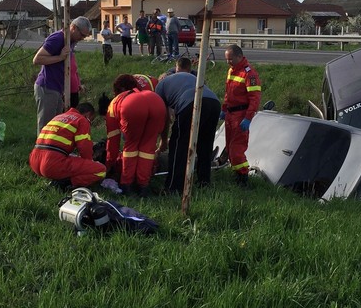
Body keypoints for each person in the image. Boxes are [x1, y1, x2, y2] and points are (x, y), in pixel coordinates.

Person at [155, 57, 222, 192]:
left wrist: (163, 141)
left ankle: (174, 187)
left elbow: (165, 117)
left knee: (179, 146)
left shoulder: (160, 87)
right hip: (214, 103)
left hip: (191, 103)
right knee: (205, 144)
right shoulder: (189, 76)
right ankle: (204, 182)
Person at [100, 74, 167, 196]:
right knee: (148, 148)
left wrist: (109, 164)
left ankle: (127, 185)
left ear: (119, 90)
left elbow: (113, 141)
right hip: (156, 101)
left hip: (133, 106)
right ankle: (143, 186)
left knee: (131, 146)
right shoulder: (144, 91)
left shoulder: (115, 103)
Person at [33, 16, 92, 135]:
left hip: (58, 89)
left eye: (85, 36)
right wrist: (60, 57)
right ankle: (42, 146)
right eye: (82, 35)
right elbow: (37, 59)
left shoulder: (71, 41)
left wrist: (76, 82)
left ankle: (54, 146)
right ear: (73, 28)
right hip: (47, 86)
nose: (82, 38)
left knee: (56, 126)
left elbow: (71, 65)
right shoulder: (58, 38)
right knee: (46, 126)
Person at [29, 102, 106, 189]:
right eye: (91, 120)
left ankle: (59, 178)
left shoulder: (58, 117)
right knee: (101, 170)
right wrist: (89, 163)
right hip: (52, 164)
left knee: (73, 157)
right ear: (88, 115)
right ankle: (66, 183)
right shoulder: (81, 120)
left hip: (34, 161)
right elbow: (84, 147)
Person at [222, 44, 261, 187]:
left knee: (236, 150)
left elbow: (254, 98)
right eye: (227, 59)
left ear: (239, 56)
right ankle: (237, 174)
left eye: (230, 59)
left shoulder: (249, 74)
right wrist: (224, 109)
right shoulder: (232, 70)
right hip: (230, 114)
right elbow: (228, 92)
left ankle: (243, 178)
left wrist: (248, 118)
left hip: (240, 115)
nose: (228, 62)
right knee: (229, 147)